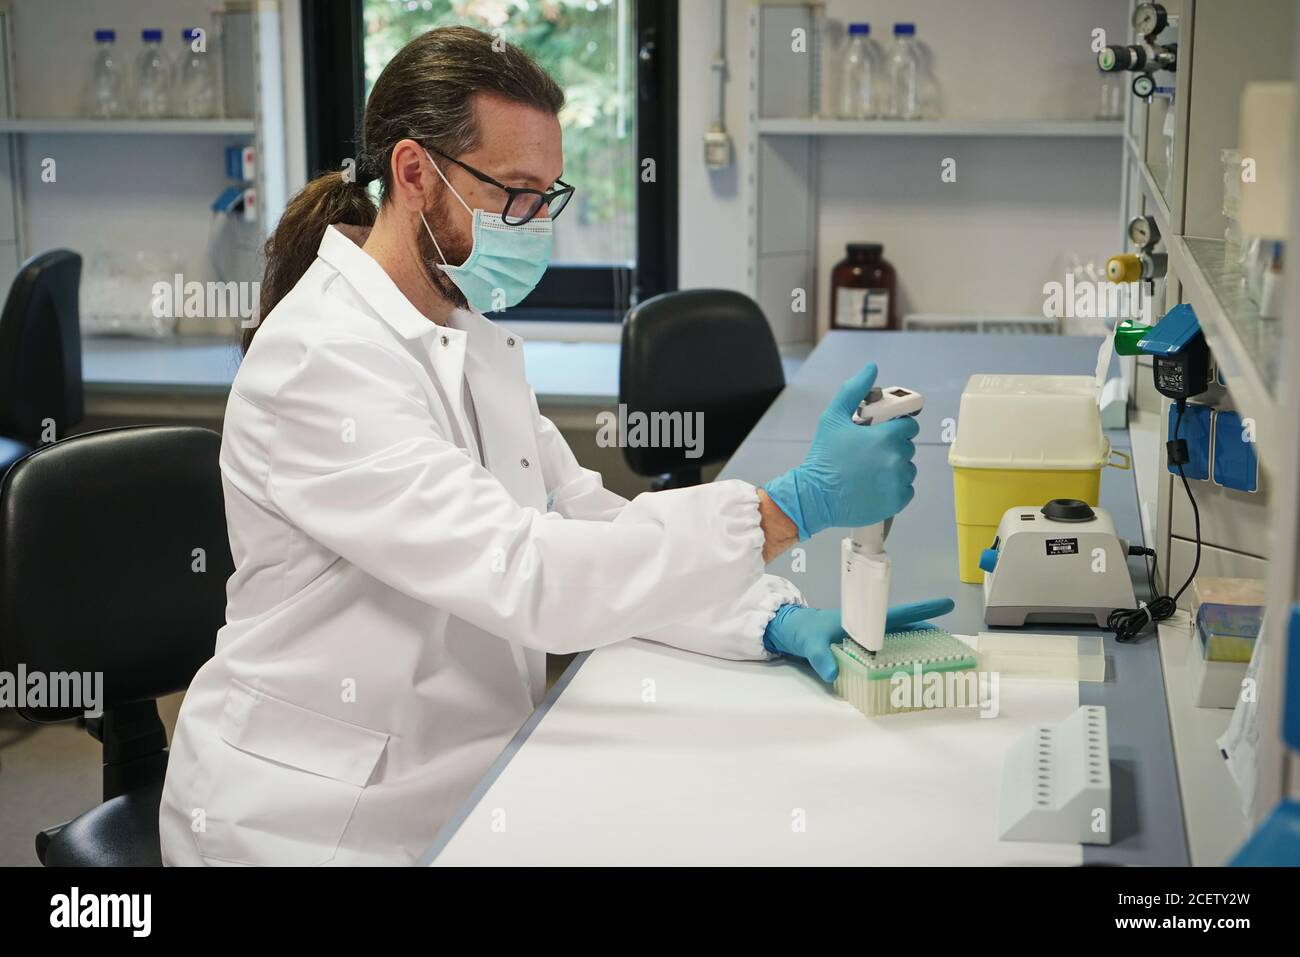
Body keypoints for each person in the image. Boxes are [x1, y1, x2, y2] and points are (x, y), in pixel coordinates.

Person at [159, 26, 950, 866]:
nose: (536, 222)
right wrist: (787, 509)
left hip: (463, 772)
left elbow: (583, 523)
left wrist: (771, 615)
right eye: (516, 192)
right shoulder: (321, 361)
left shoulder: (462, 330)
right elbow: (530, 573)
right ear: (415, 173)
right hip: (310, 817)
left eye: (547, 195)